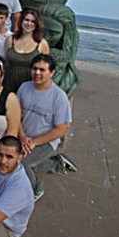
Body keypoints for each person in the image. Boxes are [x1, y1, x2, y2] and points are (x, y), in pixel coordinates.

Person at [17, 54, 77, 202]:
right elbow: (15, 114)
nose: (37, 73)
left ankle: (35, 188)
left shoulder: (59, 97)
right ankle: (55, 163)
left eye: (42, 70)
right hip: (24, 136)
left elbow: (61, 129)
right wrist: (22, 136)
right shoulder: (24, 87)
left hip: (45, 141)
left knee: (22, 163)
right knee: (7, 158)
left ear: (52, 73)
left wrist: (34, 142)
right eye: (35, 69)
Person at [3, 8, 49, 93]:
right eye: (26, 20)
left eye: (33, 21)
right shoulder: (10, 40)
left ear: (37, 24)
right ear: (21, 21)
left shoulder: (42, 43)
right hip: (8, 83)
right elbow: (5, 62)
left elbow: (46, 68)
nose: (29, 23)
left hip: (30, 86)